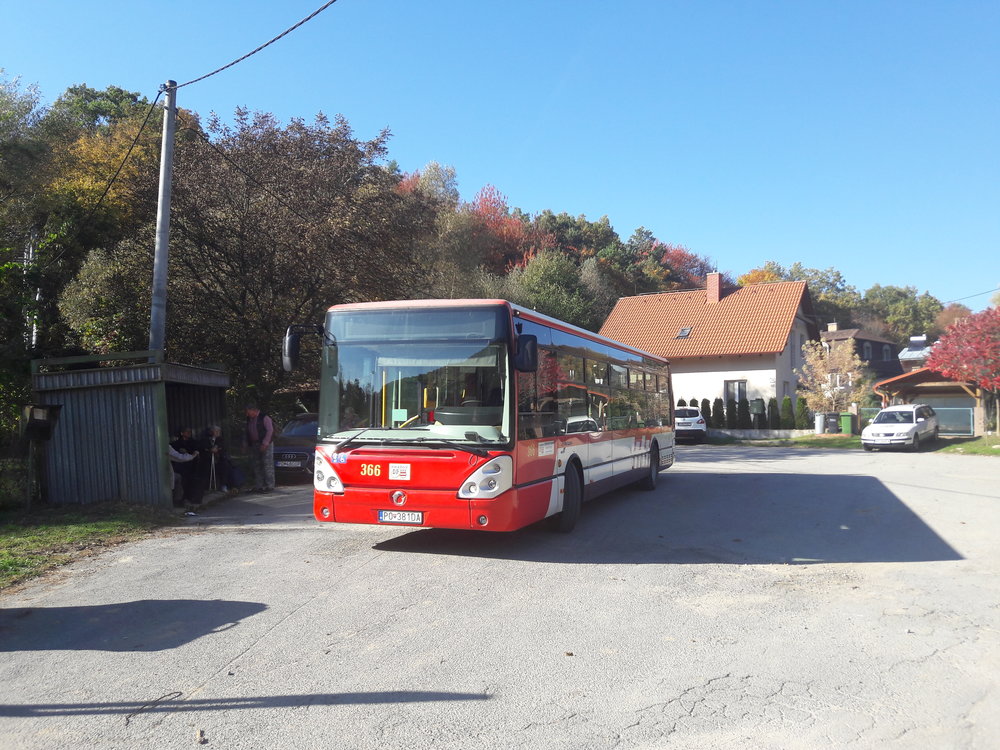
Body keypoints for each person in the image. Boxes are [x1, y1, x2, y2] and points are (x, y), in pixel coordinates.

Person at [244, 403, 275, 493]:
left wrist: (265, 444)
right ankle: (259, 486)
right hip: (255, 444)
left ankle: (270, 486)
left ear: (253, 410)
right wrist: (246, 443)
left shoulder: (264, 417)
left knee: (267, 464)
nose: (247, 414)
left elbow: (270, 430)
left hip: (266, 444)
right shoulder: (249, 419)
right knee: (257, 465)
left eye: (248, 412)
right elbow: (247, 431)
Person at [168, 443, 198, 507]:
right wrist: (193, 455)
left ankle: (177, 499)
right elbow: (179, 457)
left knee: (177, 476)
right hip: (165, 473)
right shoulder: (165, 447)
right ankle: (177, 500)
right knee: (177, 477)